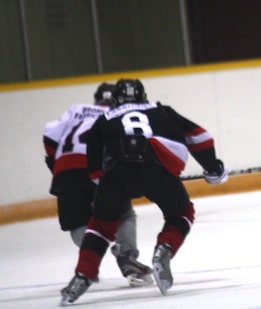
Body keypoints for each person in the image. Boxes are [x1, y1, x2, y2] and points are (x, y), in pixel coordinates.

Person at [59, 78, 228, 306]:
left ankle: (82, 276)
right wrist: (213, 167)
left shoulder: (104, 119)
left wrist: (109, 188)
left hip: (117, 174)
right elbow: (200, 136)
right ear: (143, 96)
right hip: (156, 168)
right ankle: (165, 248)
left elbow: (95, 169)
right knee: (182, 214)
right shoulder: (161, 110)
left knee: (99, 228)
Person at [43, 82, 152, 287]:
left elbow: (49, 134)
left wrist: (56, 163)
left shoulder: (76, 110)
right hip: (97, 166)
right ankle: (126, 254)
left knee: (78, 223)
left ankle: (90, 257)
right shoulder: (116, 114)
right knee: (124, 213)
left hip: (65, 169)